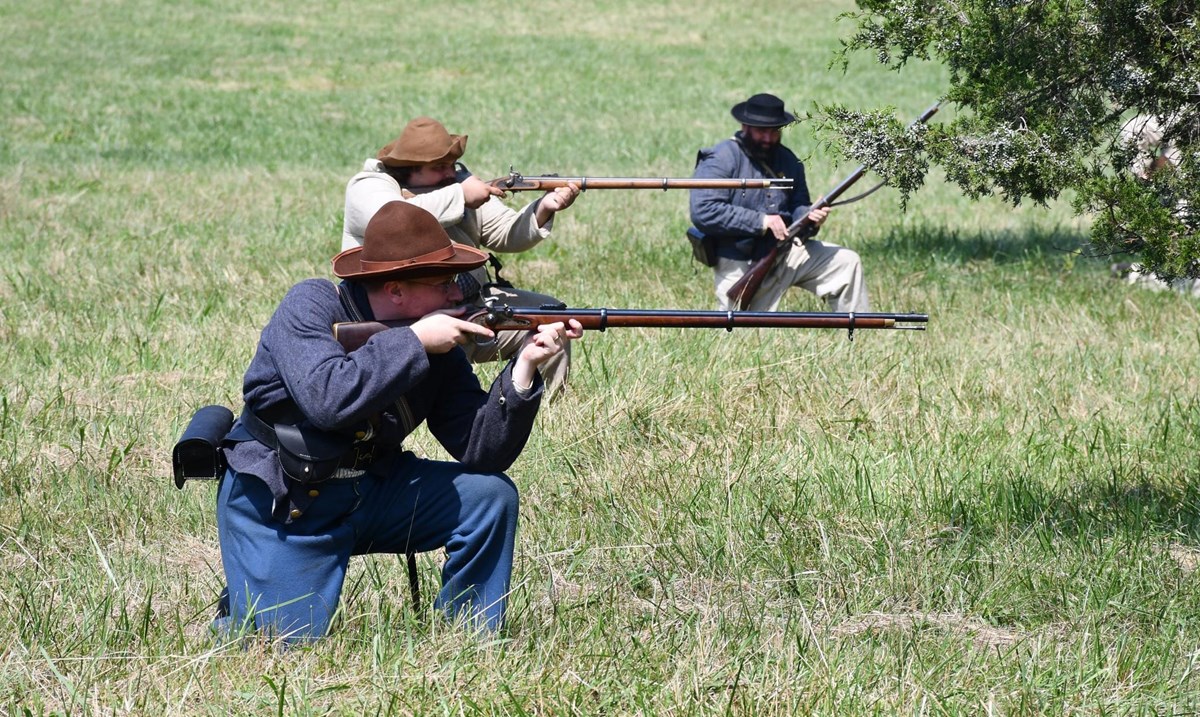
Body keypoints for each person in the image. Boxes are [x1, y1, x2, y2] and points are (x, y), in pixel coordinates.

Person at [215, 200, 582, 642]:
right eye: (444, 282)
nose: (456, 293)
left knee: (489, 497)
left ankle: (468, 637)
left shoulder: (435, 338)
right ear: (395, 290)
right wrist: (413, 341)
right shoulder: (311, 305)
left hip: (372, 487)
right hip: (289, 502)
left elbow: (483, 451)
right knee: (277, 647)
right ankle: (252, 586)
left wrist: (525, 366)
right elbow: (328, 400)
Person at [342, 117, 581, 393]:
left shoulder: (455, 184)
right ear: (407, 171)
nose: (449, 173)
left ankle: (547, 412)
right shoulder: (367, 187)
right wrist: (459, 196)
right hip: (399, 320)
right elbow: (389, 217)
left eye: (450, 165)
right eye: (437, 167)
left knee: (550, 321)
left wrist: (543, 208)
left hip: (471, 307)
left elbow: (504, 232)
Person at [689, 93, 870, 313]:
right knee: (738, 333)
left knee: (846, 263)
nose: (768, 138)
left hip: (785, 252)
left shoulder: (788, 161)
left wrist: (811, 217)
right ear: (745, 126)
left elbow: (798, 206)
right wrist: (762, 221)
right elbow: (704, 211)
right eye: (762, 131)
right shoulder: (722, 158)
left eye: (774, 131)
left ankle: (856, 335)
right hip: (739, 261)